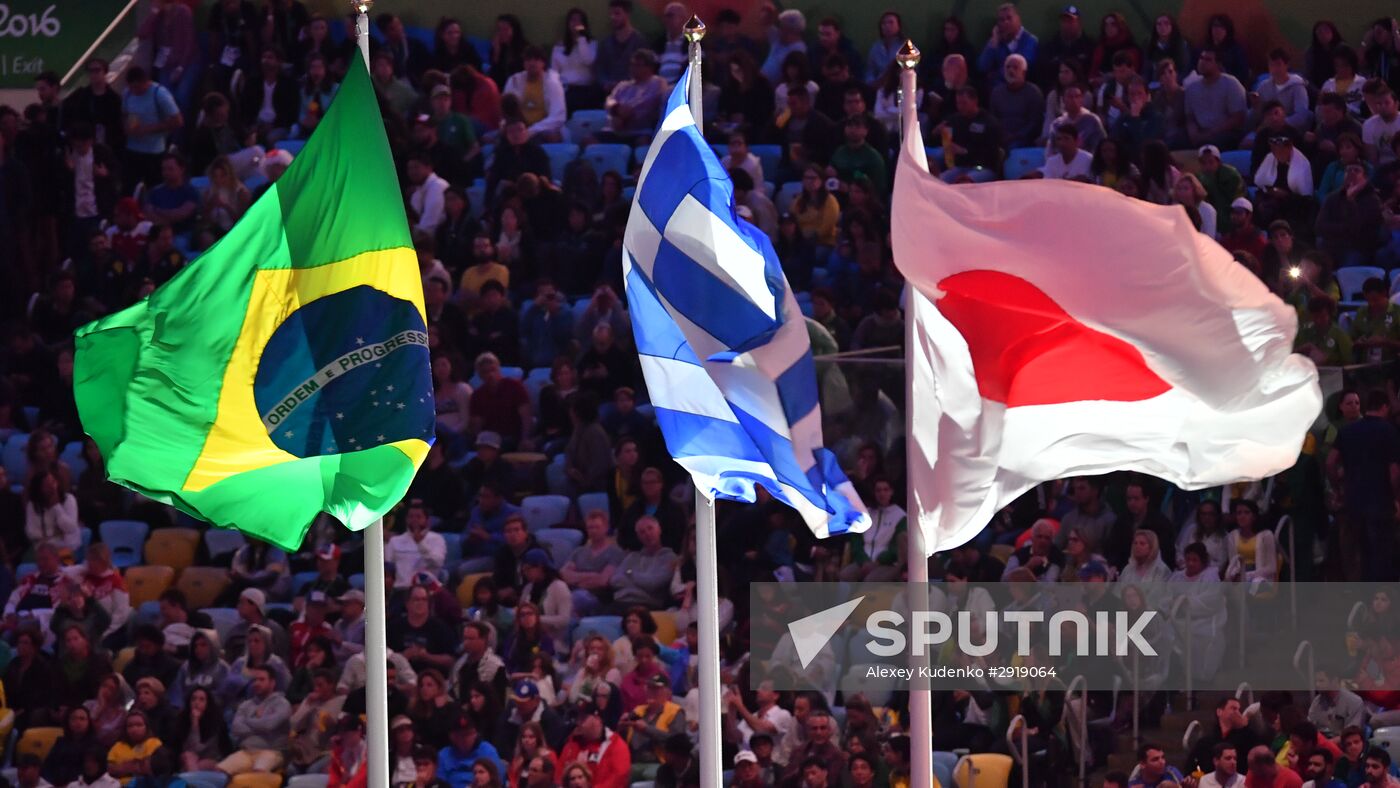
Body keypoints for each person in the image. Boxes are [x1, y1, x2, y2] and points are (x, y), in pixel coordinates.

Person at [218, 665, 290, 775]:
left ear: (272, 682)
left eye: (262, 679)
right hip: (246, 752)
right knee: (218, 771)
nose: (257, 683)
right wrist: (260, 724)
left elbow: (269, 725)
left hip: (271, 752)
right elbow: (236, 728)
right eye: (254, 680)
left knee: (257, 774)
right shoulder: (246, 705)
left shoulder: (282, 704)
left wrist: (247, 720)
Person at [936, 86, 1002, 184]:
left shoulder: (989, 122)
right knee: (938, 180)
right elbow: (937, 134)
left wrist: (964, 151)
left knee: (964, 182)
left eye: (964, 103)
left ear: (975, 101)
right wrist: (939, 132)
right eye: (958, 103)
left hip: (983, 168)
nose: (960, 107)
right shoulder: (955, 120)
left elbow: (991, 152)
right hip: (961, 167)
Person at [1185, 49, 1247, 150]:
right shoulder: (1191, 87)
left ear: (1218, 64)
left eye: (1208, 60)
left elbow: (1238, 118)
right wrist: (1193, 133)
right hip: (1201, 131)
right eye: (1201, 58)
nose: (1202, 62)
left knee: (1211, 145)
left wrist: (1210, 133)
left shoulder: (1231, 84)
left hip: (1226, 132)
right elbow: (1190, 117)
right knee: (1175, 142)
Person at [556, 703, 631, 786]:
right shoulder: (572, 745)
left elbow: (618, 779)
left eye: (582, 719)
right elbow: (559, 775)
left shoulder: (616, 745)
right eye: (577, 719)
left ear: (597, 719)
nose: (578, 723)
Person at [503, 47, 567, 142]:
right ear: (524, 63)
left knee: (552, 137)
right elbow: (506, 112)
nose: (532, 63)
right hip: (519, 129)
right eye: (528, 60)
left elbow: (558, 117)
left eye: (536, 60)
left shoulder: (553, 83)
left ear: (543, 63)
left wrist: (531, 131)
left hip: (544, 130)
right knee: (488, 138)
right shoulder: (514, 80)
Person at [603, 49, 666, 141]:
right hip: (616, 128)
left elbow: (649, 101)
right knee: (589, 139)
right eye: (632, 65)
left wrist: (628, 112)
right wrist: (616, 109)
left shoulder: (658, 83)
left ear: (650, 68)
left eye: (638, 65)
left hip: (641, 130)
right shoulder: (622, 86)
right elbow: (610, 101)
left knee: (643, 142)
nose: (633, 68)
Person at [990, 54, 1044, 149]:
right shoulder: (996, 92)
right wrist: (1001, 134)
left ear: (1023, 73)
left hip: (1024, 140)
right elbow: (993, 119)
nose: (1011, 70)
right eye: (1008, 67)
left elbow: (1035, 122)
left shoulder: (1033, 92)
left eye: (1015, 67)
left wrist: (1016, 136)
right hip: (1000, 138)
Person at [977, 3, 1039, 87]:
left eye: (1009, 18)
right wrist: (993, 43)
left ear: (1018, 19)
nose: (1005, 22)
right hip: (997, 92)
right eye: (1001, 20)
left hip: (1020, 91)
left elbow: (1017, 70)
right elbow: (982, 66)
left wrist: (994, 75)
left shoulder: (1030, 41)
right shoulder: (997, 39)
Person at [439, 714, 506, 786]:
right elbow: (438, 782)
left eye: (468, 734)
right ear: (452, 737)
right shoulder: (444, 755)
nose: (465, 739)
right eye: (460, 735)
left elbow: (498, 780)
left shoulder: (488, 751)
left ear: (475, 734)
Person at [107, 711, 162, 786]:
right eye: (130, 726)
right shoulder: (118, 746)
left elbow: (149, 769)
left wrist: (122, 767)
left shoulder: (154, 742)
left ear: (146, 727)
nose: (134, 729)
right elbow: (110, 770)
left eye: (139, 725)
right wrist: (137, 764)